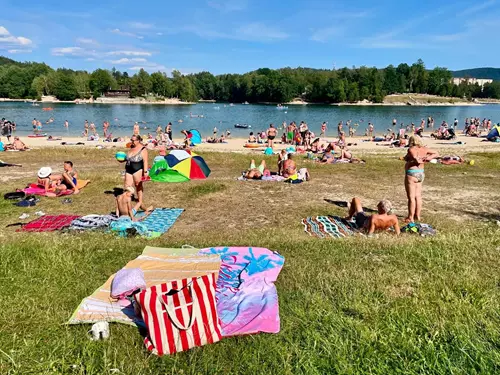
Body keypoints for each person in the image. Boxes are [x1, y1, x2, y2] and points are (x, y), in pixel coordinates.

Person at [404, 135, 439, 223]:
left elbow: (416, 159)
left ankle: (410, 217)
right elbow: (436, 153)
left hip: (412, 173)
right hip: (421, 173)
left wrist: (416, 160)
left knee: (411, 197)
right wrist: (429, 158)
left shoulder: (411, 149)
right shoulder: (424, 149)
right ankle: (418, 216)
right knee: (418, 196)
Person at [118, 135, 151, 214]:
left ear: (139, 140)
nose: (132, 142)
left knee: (138, 185)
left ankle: (140, 201)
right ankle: (125, 206)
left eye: (134, 140)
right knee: (127, 187)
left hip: (138, 169)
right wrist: (122, 160)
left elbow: (145, 161)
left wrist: (145, 172)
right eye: (131, 140)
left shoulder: (143, 149)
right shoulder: (131, 147)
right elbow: (128, 158)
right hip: (129, 169)